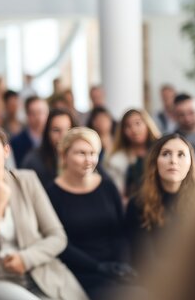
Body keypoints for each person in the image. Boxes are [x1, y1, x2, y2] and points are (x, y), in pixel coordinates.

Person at [0, 123, 88, 300]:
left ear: (6, 151)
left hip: (46, 274)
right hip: (1, 282)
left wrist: (26, 259)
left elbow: (57, 236)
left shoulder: (27, 180)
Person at [46, 127, 135, 300]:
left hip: (115, 266)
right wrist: (98, 267)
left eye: (93, 153)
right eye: (81, 153)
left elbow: (121, 232)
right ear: (64, 156)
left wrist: (121, 264)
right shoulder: (52, 193)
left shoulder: (107, 186)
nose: (88, 160)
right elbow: (61, 245)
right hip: (79, 271)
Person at [124, 133, 195, 271]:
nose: (173, 161)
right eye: (166, 154)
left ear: (191, 163)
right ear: (155, 162)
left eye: (181, 155)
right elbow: (145, 263)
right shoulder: (138, 204)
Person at [104, 109, 161, 200]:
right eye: (128, 126)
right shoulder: (117, 160)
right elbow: (116, 193)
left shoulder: (161, 151)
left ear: (147, 124)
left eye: (138, 123)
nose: (134, 130)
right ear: (123, 131)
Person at [21, 108, 77, 188]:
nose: (63, 136)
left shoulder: (84, 156)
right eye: (56, 130)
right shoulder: (33, 162)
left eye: (68, 130)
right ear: (47, 133)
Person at [10, 96, 49, 167]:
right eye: (34, 113)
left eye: (42, 112)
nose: (39, 117)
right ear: (27, 115)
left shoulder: (52, 138)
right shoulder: (16, 142)